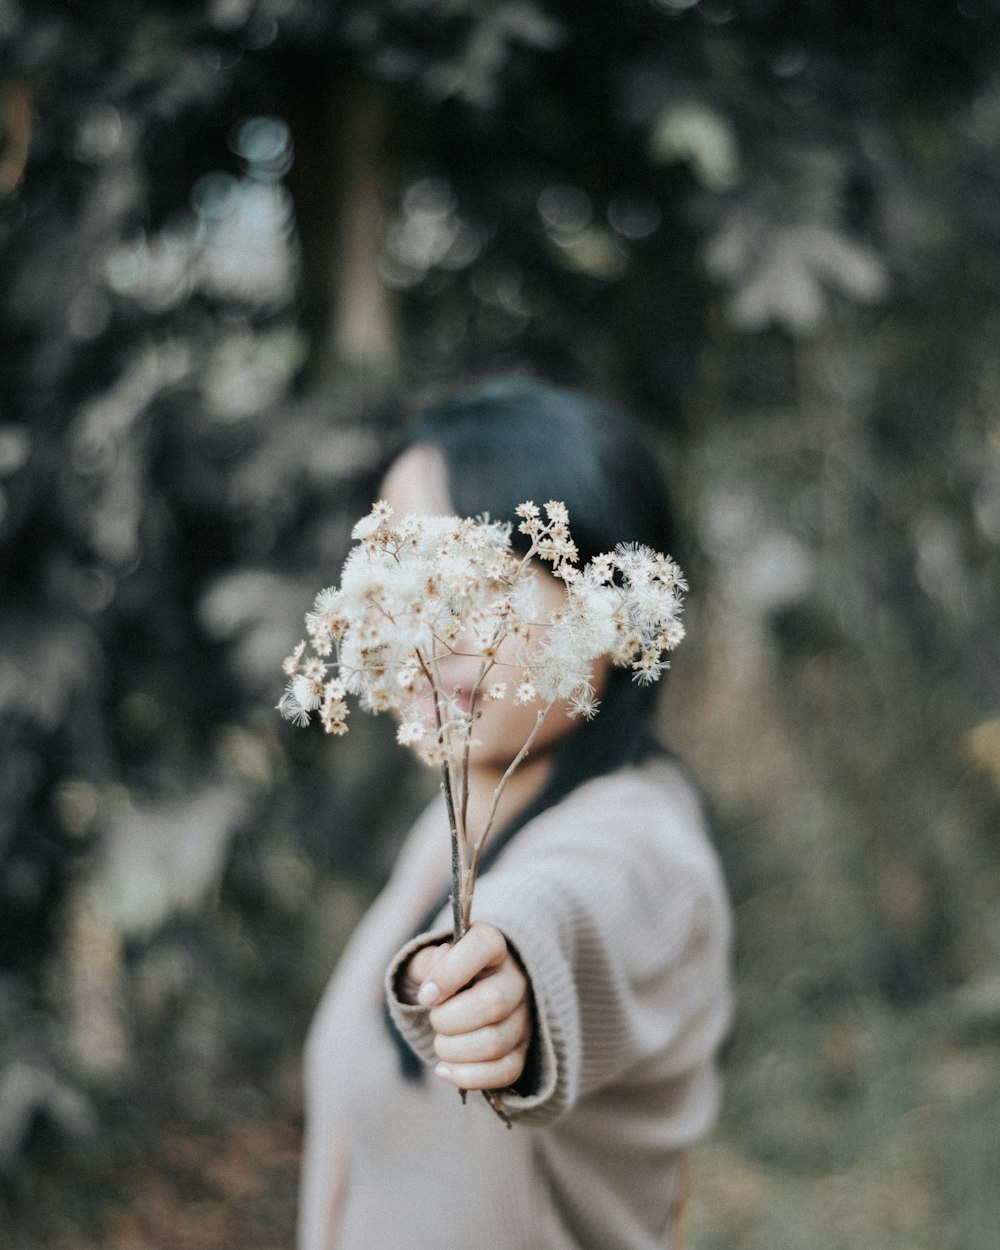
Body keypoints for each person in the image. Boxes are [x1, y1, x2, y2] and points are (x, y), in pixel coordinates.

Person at [297, 379, 733, 1250]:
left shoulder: (650, 849)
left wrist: (514, 979)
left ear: (614, 613)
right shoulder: (450, 826)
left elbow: (568, 913)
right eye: (398, 576)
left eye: (483, 578)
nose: (429, 626)